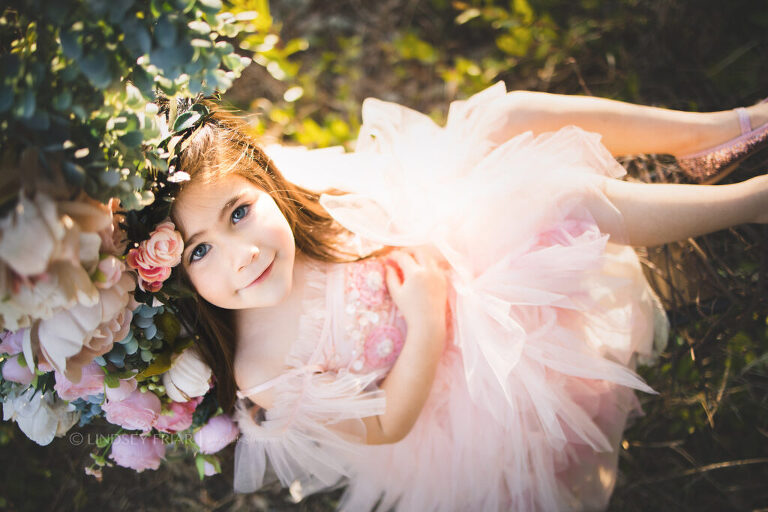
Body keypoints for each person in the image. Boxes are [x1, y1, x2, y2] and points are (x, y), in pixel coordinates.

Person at [165, 82, 768, 511]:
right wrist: (424, 318)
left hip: (440, 241)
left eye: (240, 212)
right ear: (177, 279)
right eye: (199, 251)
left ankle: (714, 132)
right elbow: (384, 425)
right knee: (560, 195)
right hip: (457, 355)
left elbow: (374, 182)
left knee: (504, 115)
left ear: (265, 186)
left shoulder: (298, 197)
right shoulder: (262, 366)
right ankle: (752, 202)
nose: (240, 251)